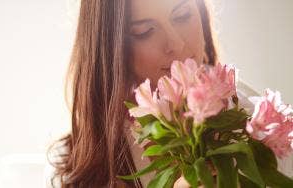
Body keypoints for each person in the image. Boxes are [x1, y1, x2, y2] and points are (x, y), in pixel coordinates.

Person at [45, 0, 293, 187]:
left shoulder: (253, 116)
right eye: (144, 31)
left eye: (183, 15)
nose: (176, 43)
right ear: (112, 48)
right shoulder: (81, 157)